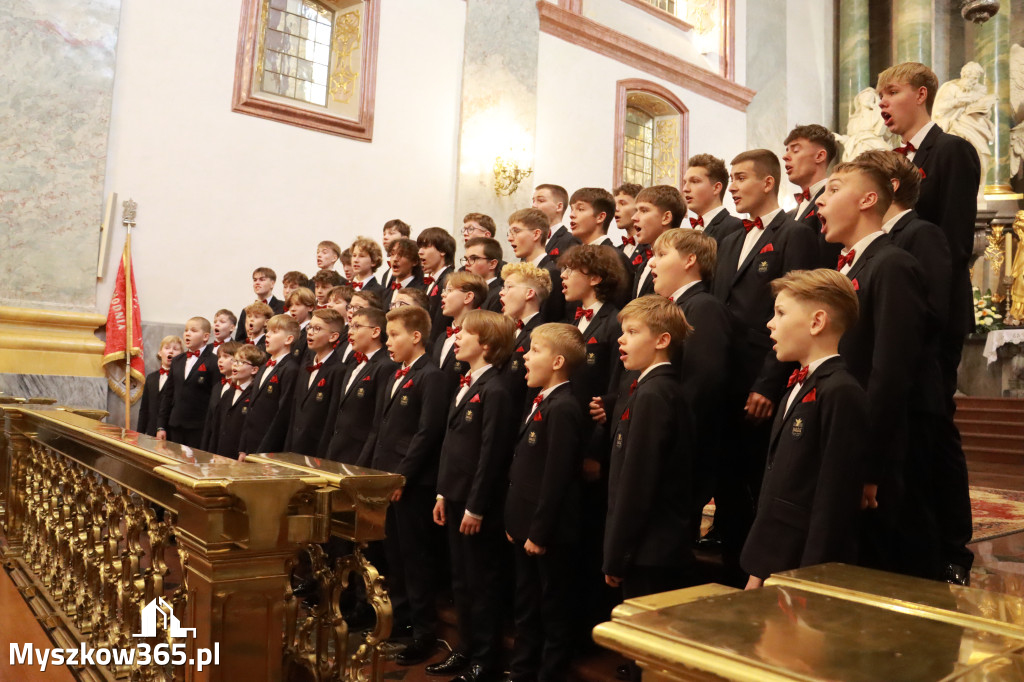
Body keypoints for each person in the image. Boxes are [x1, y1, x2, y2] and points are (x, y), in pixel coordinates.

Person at [858, 149, 974, 583]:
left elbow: (927, 313)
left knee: (916, 493)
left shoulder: (920, 235)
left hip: (914, 384)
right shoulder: (879, 242)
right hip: (895, 381)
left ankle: (937, 571)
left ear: (884, 190)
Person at [816, 157, 930, 578]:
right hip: (838, 430)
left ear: (867, 199)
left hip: (868, 446)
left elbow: (889, 373)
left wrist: (871, 466)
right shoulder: (845, 266)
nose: (819, 204)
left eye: (832, 190)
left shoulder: (891, 264)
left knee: (871, 566)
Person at [710, 149, 819, 583]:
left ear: (768, 182)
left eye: (739, 178)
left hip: (760, 378)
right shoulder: (731, 238)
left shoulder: (794, 233)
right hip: (725, 379)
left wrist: (769, 384)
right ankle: (731, 572)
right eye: (731, 179)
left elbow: (794, 313)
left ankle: (764, 576)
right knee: (730, 486)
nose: (732, 187)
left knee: (761, 485)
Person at [741, 269, 868, 587]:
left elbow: (833, 500)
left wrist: (810, 581)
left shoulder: (841, 391)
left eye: (781, 312)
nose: (770, 323)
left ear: (817, 322)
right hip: (774, 559)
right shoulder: (796, 387)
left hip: (802, 570)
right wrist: (758, 569)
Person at [877, 62, 980, 429]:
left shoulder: (951, 151)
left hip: (933, 307)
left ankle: (946, 490)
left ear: (921, 95)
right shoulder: (894, 160)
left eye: (892, 93)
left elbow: (953, 241)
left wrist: (925, 308)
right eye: (879, 97)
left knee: (932, 421)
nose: (882, 103)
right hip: (900, 301)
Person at [430, 310, 517, 682]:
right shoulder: (467, 382)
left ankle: (486, 657)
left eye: (464, 333)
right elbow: (452, 447)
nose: (456, 337)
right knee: (462, 580)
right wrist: (441, 493)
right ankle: (465, 649)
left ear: (486, 344)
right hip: (453, 498)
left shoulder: (496, 389)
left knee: (482, 583)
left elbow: (491, 455)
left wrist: (476, 507)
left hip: (476, 506)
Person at [365, 305, 449, 666]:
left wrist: (403, 476)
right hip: (387, 479)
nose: (388, 342)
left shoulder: (432, 375)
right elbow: (382, 432)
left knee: (416, 559)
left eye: (394, 335)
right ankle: (401, 620)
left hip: (411, 483)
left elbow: (427, 432)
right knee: (395, 556)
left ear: (416, 336)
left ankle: (424, 632)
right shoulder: (396, 374)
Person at [505, 323, 585, 682]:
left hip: (548, 533)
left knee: (552, 608)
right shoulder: (543, 400)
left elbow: (556, 477)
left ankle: (548, 675)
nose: (524, 356)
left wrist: (537, 532)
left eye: (534, 351)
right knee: (526, 605)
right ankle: (522, 670)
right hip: (526, 527)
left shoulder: (564, 406)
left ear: (556, 362)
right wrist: (515, 524)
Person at [604, 297, 696, 604]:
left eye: (632, 331)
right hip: (651, 547)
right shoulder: (653, 389)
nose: (621, 338)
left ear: (662, 340)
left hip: (650, 551)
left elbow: (637, 482)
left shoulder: (654, 394)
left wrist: (617, 555)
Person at [650, 229, 738, 541]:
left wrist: (664, 429)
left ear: (690, 260)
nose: (651, 264)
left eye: (661, 255)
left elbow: (703, 383)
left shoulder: (703, 307)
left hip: (681, 451)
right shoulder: (672, 308)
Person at [263, 308, 346, 456]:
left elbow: (331, 419)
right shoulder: (305, 367)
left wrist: (323, 456)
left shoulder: (338, 370)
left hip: (316, 450)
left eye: (317, 328)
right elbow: (294, 411)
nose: (310, 332)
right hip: (294, 448)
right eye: (310, 327)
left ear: (333, 336)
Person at [321, 305, 396, 464]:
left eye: (357, 326)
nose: (350, 332)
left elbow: (377, 421)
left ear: (375, 332)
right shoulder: (353, 363)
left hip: (358, 455)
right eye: (350, 326)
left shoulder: (385, 365)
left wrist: (363, 461)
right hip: (337, 450)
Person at [156, 317, 221, 447]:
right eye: (186, 330)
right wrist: (161, 426)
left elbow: (215, 399)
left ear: (205, 336)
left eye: (193, 330)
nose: (187, 333)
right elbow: (168, 395)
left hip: (199, 427)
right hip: (175, 425)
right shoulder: (177, 360)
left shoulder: (214, 362)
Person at [241, 314, 300, 457]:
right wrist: (243, 447)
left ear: (289, 339)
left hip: (268, 448)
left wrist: (264, 450)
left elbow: (282, 414)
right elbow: (251, 408)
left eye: (274, 332)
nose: (267, 336)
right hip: (251, 444)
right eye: (267, 331)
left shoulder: (290, 368)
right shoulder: (264, 367)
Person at [783, 124, 841, 268]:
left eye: (795, 150)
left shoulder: (834, 202)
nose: (785, 156)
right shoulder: (788, 215)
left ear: (820, 156)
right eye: (786, 151)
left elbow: (826, 260)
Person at [499, 262, 552, 411]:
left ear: (529, 293)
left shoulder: (541, 334)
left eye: (509, 287)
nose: (501, 292)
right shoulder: (509, 330)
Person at [433, 272, 488, 395]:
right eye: (444, 290)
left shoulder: (477, 339)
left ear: (468, 297)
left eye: (449, 290)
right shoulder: (442, 337)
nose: (443, 294)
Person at [507, 208, 566, 323]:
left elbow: (548, 320)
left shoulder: (551, 273)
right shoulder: (517, 272)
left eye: (516, 231)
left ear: (536, 234)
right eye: (509, 233)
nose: (510, 238)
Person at [207, 344, 264, 458]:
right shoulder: (228, 392)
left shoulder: (255, 396)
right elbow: (216, 425)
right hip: (220, 452)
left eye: (241, 362)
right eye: (235, 361)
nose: (235, 365)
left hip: (238, 454)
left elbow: (250, 428)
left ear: (254, 369)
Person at [630, 185, 685, 299]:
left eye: (644, 210)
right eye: (636, 211)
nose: (634, 217)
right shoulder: (644, 262)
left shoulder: (677, 263)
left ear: (666, 218)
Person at [682, 154, 744, 245]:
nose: (685, 189)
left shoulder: (735, 227)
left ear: (716, 188)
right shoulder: (692, 230)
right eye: (685, 182)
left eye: (694, 181)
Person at [417, 226, 459, 344]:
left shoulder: (449, 280)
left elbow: (440, 324)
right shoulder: (429, 282)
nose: (420, 251)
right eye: (419, 247)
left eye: (425, 246)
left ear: (442, 250)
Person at [137, 335, 182, 436]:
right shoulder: (151, 378)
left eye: (175, 349)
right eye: (167, 348)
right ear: (160, 352)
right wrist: (139, 433)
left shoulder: (180, 379)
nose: (171, 351)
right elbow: (144, 408)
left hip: (171, 434)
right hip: (151, 431)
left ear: (181, 355)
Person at [234, 267, 285, 341]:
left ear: (272, 283)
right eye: (255, 280)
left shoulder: (282, 307)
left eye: (262, 279)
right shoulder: (246, 311)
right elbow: (239, 339)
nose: (257, 283)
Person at [533, 184, 579, 258]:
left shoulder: (570, 240)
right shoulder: (531, 238)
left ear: (559, 207)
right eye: (533, 201)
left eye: (541, 200)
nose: (534, 205)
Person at [463, 237, 504, 313]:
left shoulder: (498, 296)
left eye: (473, 258)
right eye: (466, 259)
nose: (466, 263)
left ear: (492, 264)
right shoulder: (470, 292)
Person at [382, 238, 425, 309]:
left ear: (415, 262)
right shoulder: (386, 293)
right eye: (392, 254)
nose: (395, 259)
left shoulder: (421, 291)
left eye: (401, 255)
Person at [285, 287, 315, 362]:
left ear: (310, 307)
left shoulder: (312, 331)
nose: (292, 309)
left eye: (297, 305)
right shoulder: (291, 330)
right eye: (291, 305)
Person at [613, 183, 642, 258]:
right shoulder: (616, 251)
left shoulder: (651, 249)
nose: (616, 209)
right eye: (614, 205)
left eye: (622, 204)